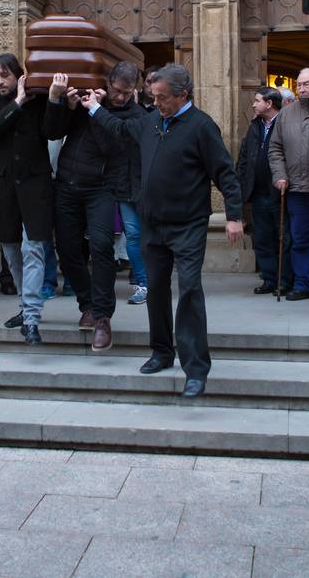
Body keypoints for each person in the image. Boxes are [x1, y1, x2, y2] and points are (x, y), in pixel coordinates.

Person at [83, 64, 244, 399]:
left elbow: (225, 173)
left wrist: (234, 216)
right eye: (152, 97)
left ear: (182, 95)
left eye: (162, 98)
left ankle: (195, 369)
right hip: (152, 224)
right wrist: (94, 108)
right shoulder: (151, 121)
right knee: (155, 289)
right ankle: (161, 352)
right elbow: (119, 128)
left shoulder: (201, 126)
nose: (155, 103)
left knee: (188, 291)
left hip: (187, 225)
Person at [45, 71, 123, 352]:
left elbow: (112, 148)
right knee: (66, 250)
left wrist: (98, 111)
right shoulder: (74, 104)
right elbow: (52, 132)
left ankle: (102, 318)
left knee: (102, 246)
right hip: (67, 185)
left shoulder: (120, 112)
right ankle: (87, 303)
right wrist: (60, 101)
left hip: (100, 188)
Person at [0, 54, 54, 343]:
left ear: (18, 75)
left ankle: (32, 317)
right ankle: (26, 307)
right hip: (4, 189)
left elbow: (51, 131)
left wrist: (49, 98)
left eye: (4, 76)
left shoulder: (38, 103)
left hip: (35, 185)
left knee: (33, 249)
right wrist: (17, 102)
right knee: (11, 252)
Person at [268, 68, 309, 301]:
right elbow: (275, 148)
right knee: (301, 238)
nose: (302, 88)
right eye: (299, 84)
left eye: (306, 84)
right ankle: (303, 284)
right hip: (295, 187)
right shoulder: (286, 114)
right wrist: (279, 174)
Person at [101, 62, 149, 305]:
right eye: (117, 91)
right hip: (102, 182)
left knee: (134, 234)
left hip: (130, 183)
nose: (120, 97)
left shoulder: (139, 115)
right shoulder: (97, 104)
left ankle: (143, 283)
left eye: (126, 93)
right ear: (108, 83)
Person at [237, 87, 288, 296]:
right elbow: (245, 155)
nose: (253, 104)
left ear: (269, 104)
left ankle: (283, 280)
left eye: (257, 100)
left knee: (283, 238)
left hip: (279, 192)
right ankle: (268, 278)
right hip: (258, 192)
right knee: (263, 238)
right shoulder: (255, 125)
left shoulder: (284, 124)